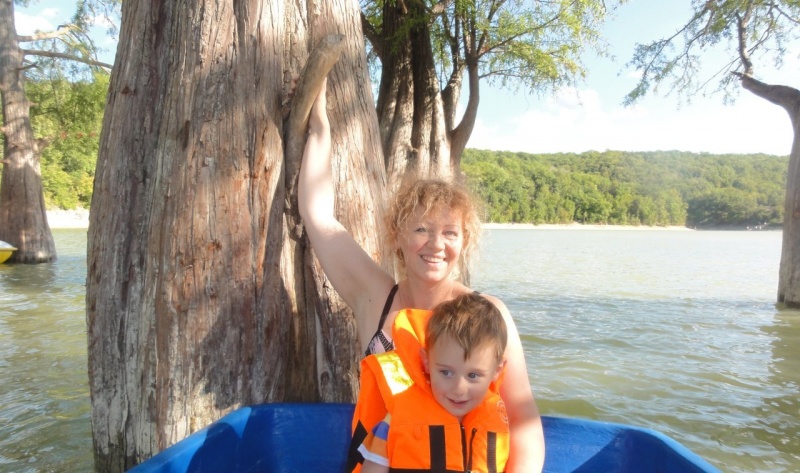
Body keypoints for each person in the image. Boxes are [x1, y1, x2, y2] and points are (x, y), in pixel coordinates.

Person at [298, 78, 545, 472]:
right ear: (397, 235)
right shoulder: (374, 297)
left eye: (450, 233)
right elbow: (317, 215)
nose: (436, 244)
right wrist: (319, 125)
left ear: (464, 241)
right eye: (421, 229)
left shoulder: (489, 314)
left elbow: (522, 416)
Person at [348, 293, 510, 473]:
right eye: (446, 372)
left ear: (497, 370)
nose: (459, 388)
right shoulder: (395, 421)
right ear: (426, 362)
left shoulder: (497, 422)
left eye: (473, 375)